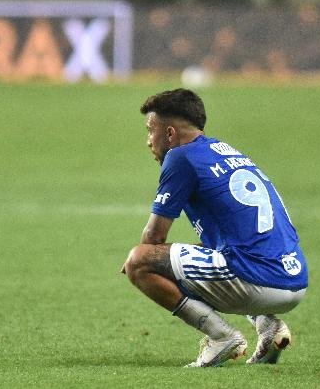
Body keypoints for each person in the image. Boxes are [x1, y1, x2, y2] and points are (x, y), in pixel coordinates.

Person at [122, 89, 308, 367]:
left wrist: (145, 260)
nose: (148, 141)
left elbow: (153, 238)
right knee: (204, 253)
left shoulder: (181, 157)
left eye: (151, 130)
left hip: (259, 278)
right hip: (294, 278)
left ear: (170, 133)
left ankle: (222, 337)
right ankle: (268, 327)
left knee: (140, 261)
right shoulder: (224, 151)